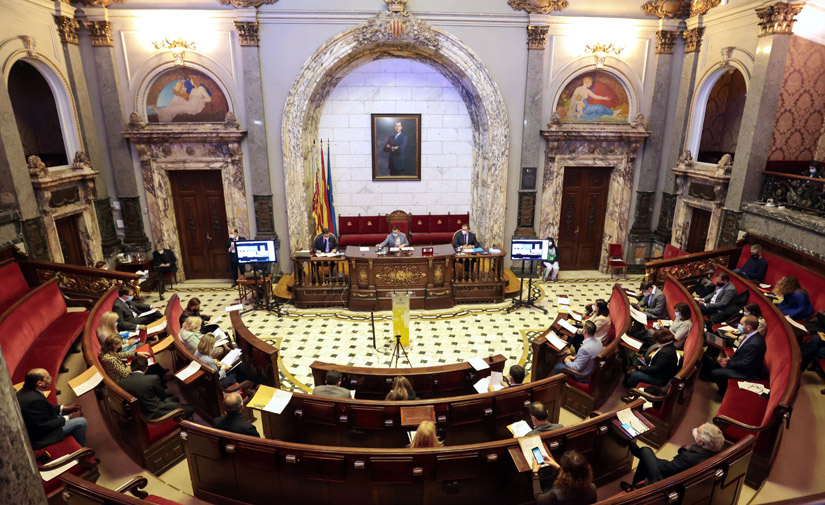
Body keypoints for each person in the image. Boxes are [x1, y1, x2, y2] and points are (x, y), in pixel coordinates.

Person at [620, 422, 724, 491]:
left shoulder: (689, 457)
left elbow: (666, 469)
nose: (694, 430)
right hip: (678, 477)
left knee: (646, 451)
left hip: (665, 482)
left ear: (701, 442)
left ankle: (634, 489)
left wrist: (657, 461)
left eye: (697, 431)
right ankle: (634, 488)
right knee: (646, 459)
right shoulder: (714, 451)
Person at [16, 369, 86, 449]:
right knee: (81, 422)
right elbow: (45, 425)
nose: (50, 379)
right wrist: (69, 417)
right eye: (47, 378)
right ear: (39, 383)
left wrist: (63, 408)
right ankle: (84, 453)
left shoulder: (26, 390)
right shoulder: (34, 400)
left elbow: (46, 407)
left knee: (69, 406)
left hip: (43, 422)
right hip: (44, 436)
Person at [700, 315, 766, 396]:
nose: (739, 325)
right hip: (740, 362)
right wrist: (728, 358)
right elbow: (740, 351)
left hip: (747, 372)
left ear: (749, 327)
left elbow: (746, 364)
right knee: (715, 364)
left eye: (741, 324)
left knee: (715, 373)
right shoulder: (750, 335)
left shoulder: (755, 344)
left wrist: (728, 364)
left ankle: (723, 393)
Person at [118, 356, 194, 419]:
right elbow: (162, 396)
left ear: (131, 368)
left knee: (175, 399)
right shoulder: (153, 378)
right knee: (190, 408)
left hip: (138, 413)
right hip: (154, 413)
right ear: (146, 369)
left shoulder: (121, 383)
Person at [530, 450, 597, 505]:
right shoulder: (592, 489)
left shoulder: (555, 494)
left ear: (565, 473)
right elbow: (574, 473)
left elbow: (538, 499)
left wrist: (535, 473)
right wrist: (557, 466)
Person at [194, 333, 258, 389]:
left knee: (239, 367)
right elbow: (218, 376)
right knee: (239, 366)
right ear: (210, 346)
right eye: (214, 344)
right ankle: (254, 383)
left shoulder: (197, 352)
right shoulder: (208, 361)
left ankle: (251, 383)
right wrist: (225, 369)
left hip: (214, 373)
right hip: (220, 383)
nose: (214, 346)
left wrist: (216, 363)